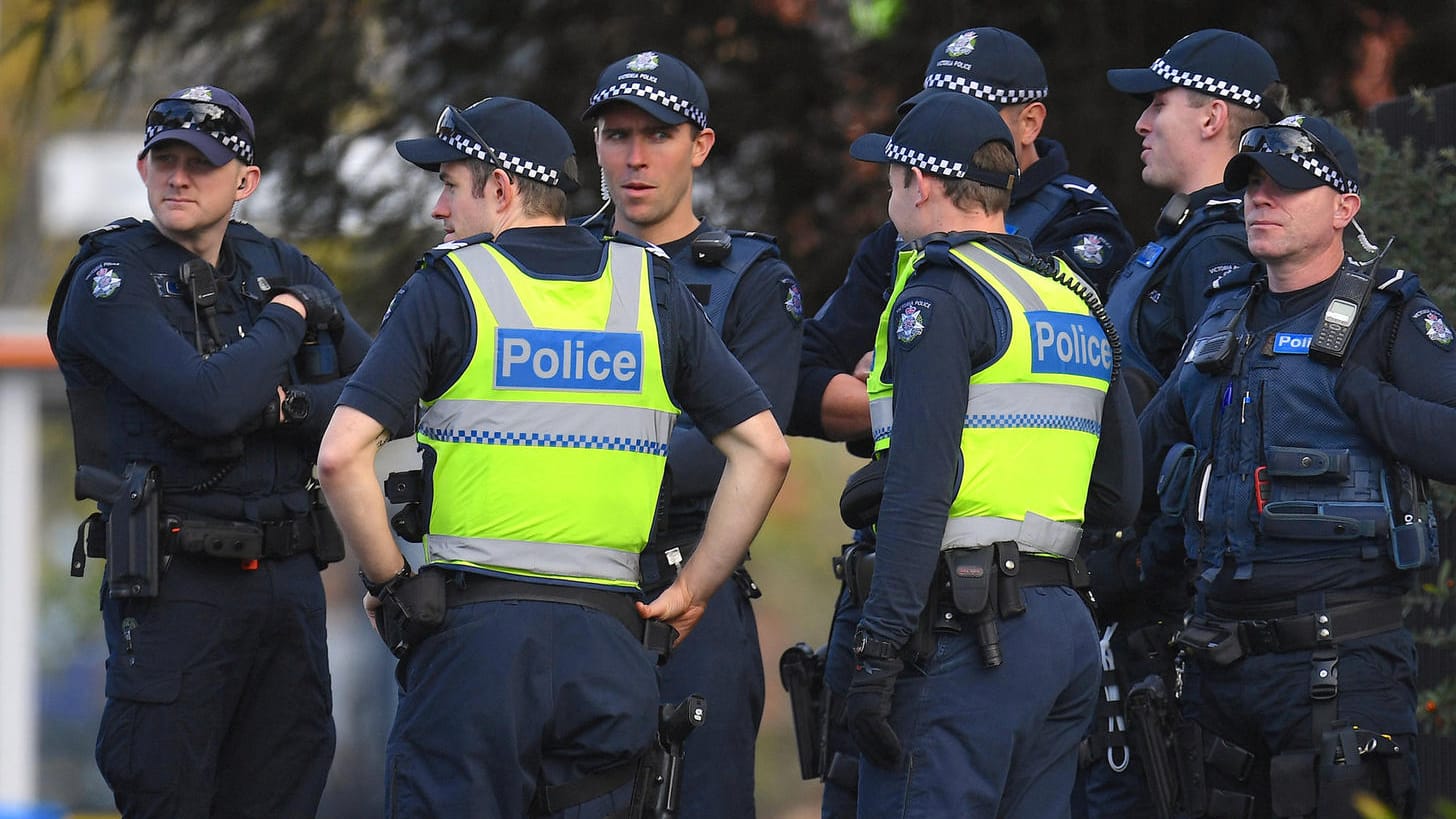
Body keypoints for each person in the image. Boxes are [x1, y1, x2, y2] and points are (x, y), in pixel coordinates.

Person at [315, 95, 791, 818]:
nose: (441, 209)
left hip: (472, 646)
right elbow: (765, 450)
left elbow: (341, 456)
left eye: (450, 183)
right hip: (610, 647)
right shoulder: (649, 288)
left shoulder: (450, 285)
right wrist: (695, 586)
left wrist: (394, 583)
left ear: (501, 188)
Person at [785, 27, 1134, 817]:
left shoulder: (938, 296)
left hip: (961, 632)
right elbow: (1117, 489)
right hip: (1060, 627)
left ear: (916, 182)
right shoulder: (1069, 296)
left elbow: (920, 486)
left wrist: (876, 652)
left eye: (889, 179)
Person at [47, 84, 372, 816]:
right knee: (168, 792)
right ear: (143, 168)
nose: (179, 176)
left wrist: (286, 404)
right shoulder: (111, 279)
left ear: (245, 181)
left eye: (201, 161)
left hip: (288, 584)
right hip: (176, 588)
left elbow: (383, 392)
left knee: (285, 790)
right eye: (165, 158)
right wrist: (288, 318)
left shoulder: (274, 259)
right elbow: (208, 402)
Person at [1138, 114, 1455, 819]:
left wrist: (1365, 395)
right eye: (1251, 184)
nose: (1260, 198)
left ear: (1345, 207)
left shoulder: (1389, 317)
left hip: (1339, 666)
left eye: (1285, 185)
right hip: (1217, 669)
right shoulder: (1221, 319)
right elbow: (1136, 457)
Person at [577, 50, 803, 819]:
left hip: (688, 592)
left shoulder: (751, 277)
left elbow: (743, 445)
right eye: (616, 134)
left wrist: (581, 464)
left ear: (700, 144)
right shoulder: (552, 264)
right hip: (560, 587)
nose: (634, 157)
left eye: (658, 134)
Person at [1082, 30, 1287, 817]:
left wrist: (1138, 572)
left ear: (1212, 119)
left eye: (1158, 104)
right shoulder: (1179, 239)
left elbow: (1218, 434)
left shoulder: (1220, 247)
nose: (1141, 122)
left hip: (1163, 601)